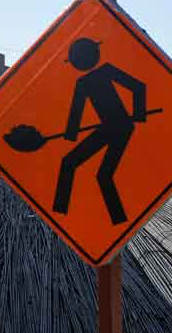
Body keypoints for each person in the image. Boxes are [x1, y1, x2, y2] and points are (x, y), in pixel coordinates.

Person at [52, 37, 147, 225]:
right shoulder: (85, 81)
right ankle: (61, 212)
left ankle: (116, 220)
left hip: (120, 127)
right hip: (111, 127)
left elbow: (138, 87)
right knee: (73, 164)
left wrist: (138, 114)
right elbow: (76, 114)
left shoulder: (105, 71)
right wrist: (69, 134)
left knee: (98, 172)